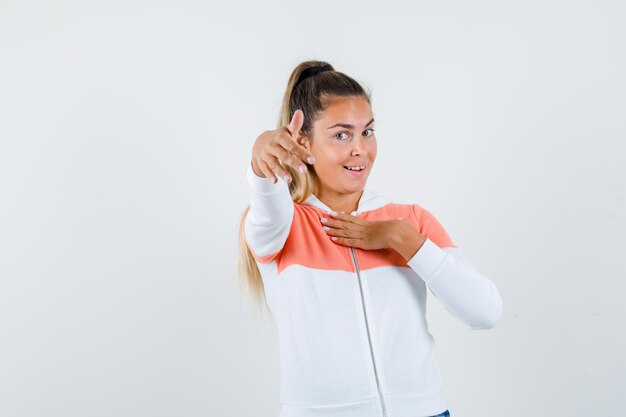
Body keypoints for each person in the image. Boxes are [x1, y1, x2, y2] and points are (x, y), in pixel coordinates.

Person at [238, 60, 502, 417]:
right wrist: (262, 162)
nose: (360, 149)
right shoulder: (285, 226)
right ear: (302, 142)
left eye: (368, 131)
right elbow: (269, 205)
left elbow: (485, 311)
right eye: (341, 135)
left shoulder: (411, 220)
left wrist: (404, 239)